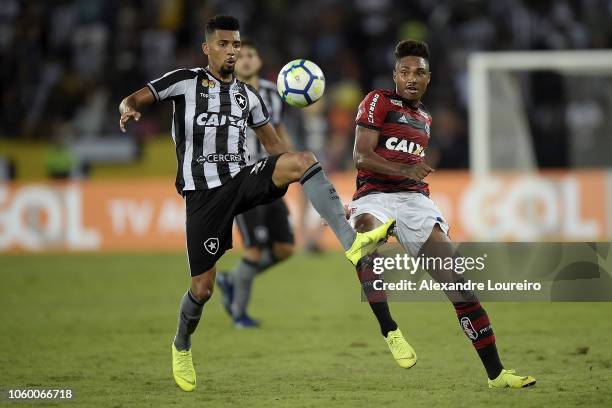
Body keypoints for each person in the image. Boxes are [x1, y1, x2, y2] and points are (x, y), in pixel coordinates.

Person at [118, 15, 395, 392]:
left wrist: (301, 176)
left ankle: (350, 239)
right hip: (204, 195)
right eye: (224, 44)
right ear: (207, 48)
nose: (231, 50)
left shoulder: (247, 97)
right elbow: (136, 97)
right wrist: (128, 108)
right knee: (202, 289)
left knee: (304, 158)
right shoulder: (183, 82)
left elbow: (274, 147)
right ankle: (181, 345)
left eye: (235, 44)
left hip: (241, 179)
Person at [348, 39, 536, 389]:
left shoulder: (425, 118)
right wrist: (405, 171)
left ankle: (497, 374)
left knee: (460, 288)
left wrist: (409, 178)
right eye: (405, 72)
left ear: (429, 77)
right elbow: (361, 156)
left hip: (414, 203)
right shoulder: (377, 101)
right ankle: (390, 330)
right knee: (364, 238)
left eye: (419, 72)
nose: (412, 78)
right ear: (395, 75)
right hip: (373, 195)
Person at [216, 39, 295, 328]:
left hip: (272, 178)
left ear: (259, 61)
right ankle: (239, 315)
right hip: (242, 180)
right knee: (253, 250)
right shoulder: (224, 94)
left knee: (285, 248)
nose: (247, 59)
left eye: (252, 54)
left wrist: (293, 163)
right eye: (241, 55)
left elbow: (281, 132)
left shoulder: (275, 94)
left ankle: (231, 279)